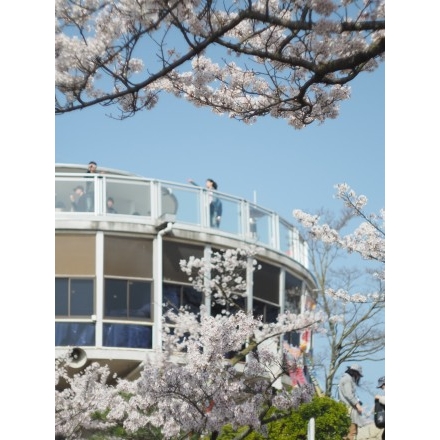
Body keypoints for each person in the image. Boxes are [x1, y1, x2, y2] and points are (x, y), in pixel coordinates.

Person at [338, 364, 364, 440]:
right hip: (349, 412)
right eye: (358, 375)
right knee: (351, 432)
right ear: (355, 373)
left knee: (347, 433)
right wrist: (357, 404)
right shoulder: (347, 379)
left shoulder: (345, 378)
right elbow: (349, 395)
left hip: (346, 410)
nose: (358, 377)